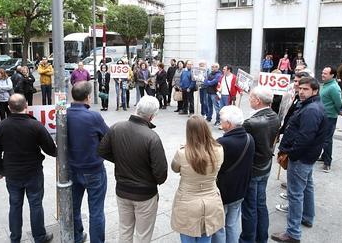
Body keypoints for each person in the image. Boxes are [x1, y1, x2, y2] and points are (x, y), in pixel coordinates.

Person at [98, 96, 168, 243]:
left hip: (123, 190)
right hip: (145, 195)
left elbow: (102, 151)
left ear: (137, 109)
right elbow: (161, 174)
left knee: (125, 230)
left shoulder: (116, 127)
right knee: (143, 235)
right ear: (151, 116)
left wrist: (120, 160)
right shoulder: (152, 137)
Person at [0, 94, 56, 243]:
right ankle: (39, 237)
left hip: (12, 173)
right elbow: (50, 149)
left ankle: (15, 238)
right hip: (33, 172)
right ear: (26, 106)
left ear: (9, 108)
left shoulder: (1, 126)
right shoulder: (35, 125)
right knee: (36, 204)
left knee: (14, 205)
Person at [271, 77, 327, 243]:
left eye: (306, 89)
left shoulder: (311, 110)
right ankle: (307, 217)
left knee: (295, 194)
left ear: (315, 91)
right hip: (308, 156)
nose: (301, 92)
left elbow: (305, 137)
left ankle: (293, 233)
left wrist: (292, 154)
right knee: (307, 187)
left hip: (301, 157)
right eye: (300, 88)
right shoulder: (310, 105)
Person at [67, 82, 110, 243]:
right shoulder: (93, 117)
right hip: (94, 170)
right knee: (96, 211)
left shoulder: (64, 114)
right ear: (88, 97)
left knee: (73, 208)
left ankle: (77, 237)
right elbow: (108, 136)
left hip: (72, 169)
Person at [171, 116, 225, 242]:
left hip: (187, 202)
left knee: (187, 237)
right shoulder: (219, 149)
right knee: (206, 239)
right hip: (211, 200)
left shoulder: (183, 153)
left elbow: (174, 168)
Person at [240, 86, 280, 243]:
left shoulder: (251, 123)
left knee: (250, 207)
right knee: (260, 204)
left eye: (250, 97)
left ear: (257, 100)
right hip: (265, 166)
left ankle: (248, 239)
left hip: (253, 169)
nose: (249, 100)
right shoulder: (274, 116)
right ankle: (261, 237)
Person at [212, 105, 255, 243]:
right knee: (232, 224)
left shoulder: (222, 143)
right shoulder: (249, 138)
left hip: (224, 192)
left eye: (221, 120)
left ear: (228, 124)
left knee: (219, 226)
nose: (220, 122)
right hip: (240, 190)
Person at [275, 71, 310, 214]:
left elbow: (304, 134)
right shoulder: (296, 97)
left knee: (298, 185)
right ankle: (306, 212)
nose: (296, 85)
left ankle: (294, 227)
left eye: (300, 84)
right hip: (293, 144)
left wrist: (291, 151)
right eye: (295, 82)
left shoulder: (307, 106)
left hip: (297, 151)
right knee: (303, 184)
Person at [320, 67, 342, 173]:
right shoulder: (326, 84)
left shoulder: (334, 87)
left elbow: (338, 102)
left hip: (329, 117)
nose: (323, 75)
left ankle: (327, 162)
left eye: (325, 73)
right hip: (322, 115)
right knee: (322, 138)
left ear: (332, 75)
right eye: (322, 72)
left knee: (327, 139)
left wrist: (341, 110)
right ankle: (323, 156)